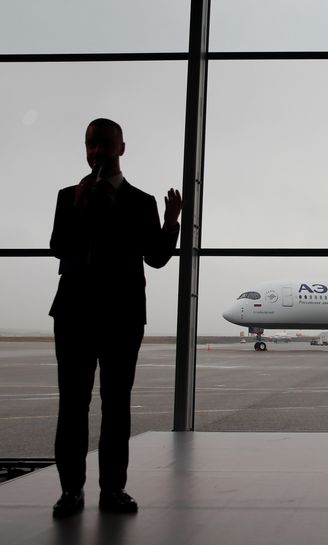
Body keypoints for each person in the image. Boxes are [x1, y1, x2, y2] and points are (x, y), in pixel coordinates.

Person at [49, 118, 182, 518]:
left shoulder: (141, 202)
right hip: (74, 314)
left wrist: (171, 221)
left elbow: (156, 258)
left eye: (106, 144)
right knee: (72, 405)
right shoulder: (67, 196)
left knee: (116, 405)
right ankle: (71, 490)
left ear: (122, 148)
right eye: (92, 145)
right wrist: (79, 207)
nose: (98, 152)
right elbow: (59, 247)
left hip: (122, 317)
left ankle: (113, 490)